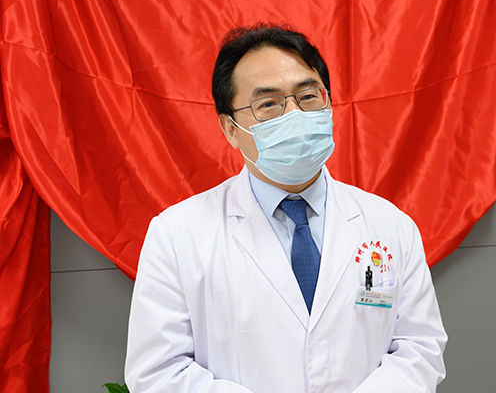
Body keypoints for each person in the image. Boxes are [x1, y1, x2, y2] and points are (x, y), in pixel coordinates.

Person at [125, 23, 447, 393]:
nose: (294, 115)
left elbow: (419, 350)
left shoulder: (390, 225)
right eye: (268, 104)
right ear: (230, 129)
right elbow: (158, 371)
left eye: (308, 96)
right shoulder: (176, 234)